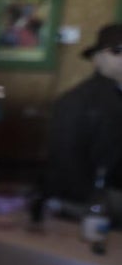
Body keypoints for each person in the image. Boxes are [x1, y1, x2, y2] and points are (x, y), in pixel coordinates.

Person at [44, 23, 122, 222]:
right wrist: (97, 201)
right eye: (117, 51)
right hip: (90, 206)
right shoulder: (77, 100)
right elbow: (65, 159)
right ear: (98, 57)